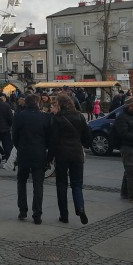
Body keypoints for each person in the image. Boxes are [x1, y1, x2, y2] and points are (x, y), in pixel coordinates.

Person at [50, 93, 91, 224]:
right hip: (77, 153)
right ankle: (80, 207)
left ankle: (64, 215)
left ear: (60, 104)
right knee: (77, 184)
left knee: (61, 185)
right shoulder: (79, 116)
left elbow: (53, 140)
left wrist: (48, 158)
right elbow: (87, 138)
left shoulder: (57, 118)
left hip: (62, 154)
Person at [12, 93, 52, 224]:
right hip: (39, 153)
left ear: (26, 103)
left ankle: (22, 210)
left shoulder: (19, 116)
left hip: (24, 152)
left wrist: (20, 147)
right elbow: (48, 138)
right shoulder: (45, 117)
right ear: (38, 102)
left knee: (21, 181)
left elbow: (15, 137)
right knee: (38, 185)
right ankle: (37, 214)